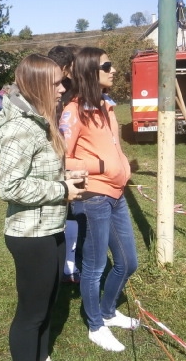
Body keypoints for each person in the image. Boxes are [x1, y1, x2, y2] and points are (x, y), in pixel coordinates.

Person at [0, 53, 87, 361]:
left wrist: (66, 178)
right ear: (37, 86)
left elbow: (38, 174)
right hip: (30, 235)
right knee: (31, 315)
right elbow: (9, 187)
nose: (63, 88)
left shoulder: (40, 121)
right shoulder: (19, 128)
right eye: (56, 83)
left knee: (47, 309)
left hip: (52, 228)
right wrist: (61, 189)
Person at [59, 47, 139, 352]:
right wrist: (100, 166)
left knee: (128, 262)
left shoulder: (106, 105)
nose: (113, 70)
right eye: (107, 66)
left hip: (117, 195)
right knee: (94, 267)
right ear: (90, 72)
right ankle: (95, 326)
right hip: (93, 196)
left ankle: (108, 311)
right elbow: (61, 159)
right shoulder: (73, 111)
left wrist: (122, 168)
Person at [47, 45, 80, 284]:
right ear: (68, 67)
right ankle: (66, 264)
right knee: (66, 208)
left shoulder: (67, 87)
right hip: (59, 152)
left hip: (64, 151)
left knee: (69, 208)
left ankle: (69, 263)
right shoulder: (61, 87)